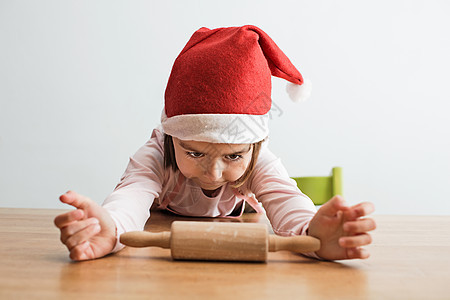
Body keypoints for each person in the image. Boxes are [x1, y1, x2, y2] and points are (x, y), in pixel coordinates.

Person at [54, 25, 376, 262]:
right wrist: (110, 227)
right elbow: (131, 197)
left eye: (234, 155)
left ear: (255, 145)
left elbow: (286, 201)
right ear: (172, 136)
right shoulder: (156, 155)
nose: (213, 172)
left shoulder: (257, 162)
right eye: (194, 152)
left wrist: (313, 237)